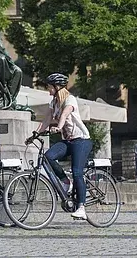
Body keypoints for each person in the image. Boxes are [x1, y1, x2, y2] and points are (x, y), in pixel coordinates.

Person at [37, 73, 92, 220]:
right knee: (48, 157)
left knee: (77, 172)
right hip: (68, 141)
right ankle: (65, 181)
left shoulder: (70, 99)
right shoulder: (53, 102)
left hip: (81, 140)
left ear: (57, 87)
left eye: (49, 86)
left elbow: (65, 114)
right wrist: (35, 134)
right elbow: (46, 119)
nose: (48, 89)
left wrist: (59, 127)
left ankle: (81, 207)